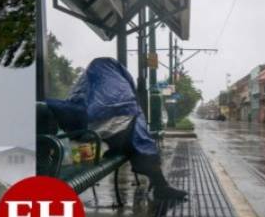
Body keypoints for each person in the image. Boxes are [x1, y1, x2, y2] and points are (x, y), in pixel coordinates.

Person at [46, 57, 187, 201]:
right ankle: (160, 185)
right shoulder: (116, 84)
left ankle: (160, 184)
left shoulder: (89, 82)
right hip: (113, 134)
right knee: (138, 136)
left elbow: (75, 106)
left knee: (135, 134)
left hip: (100, 135)